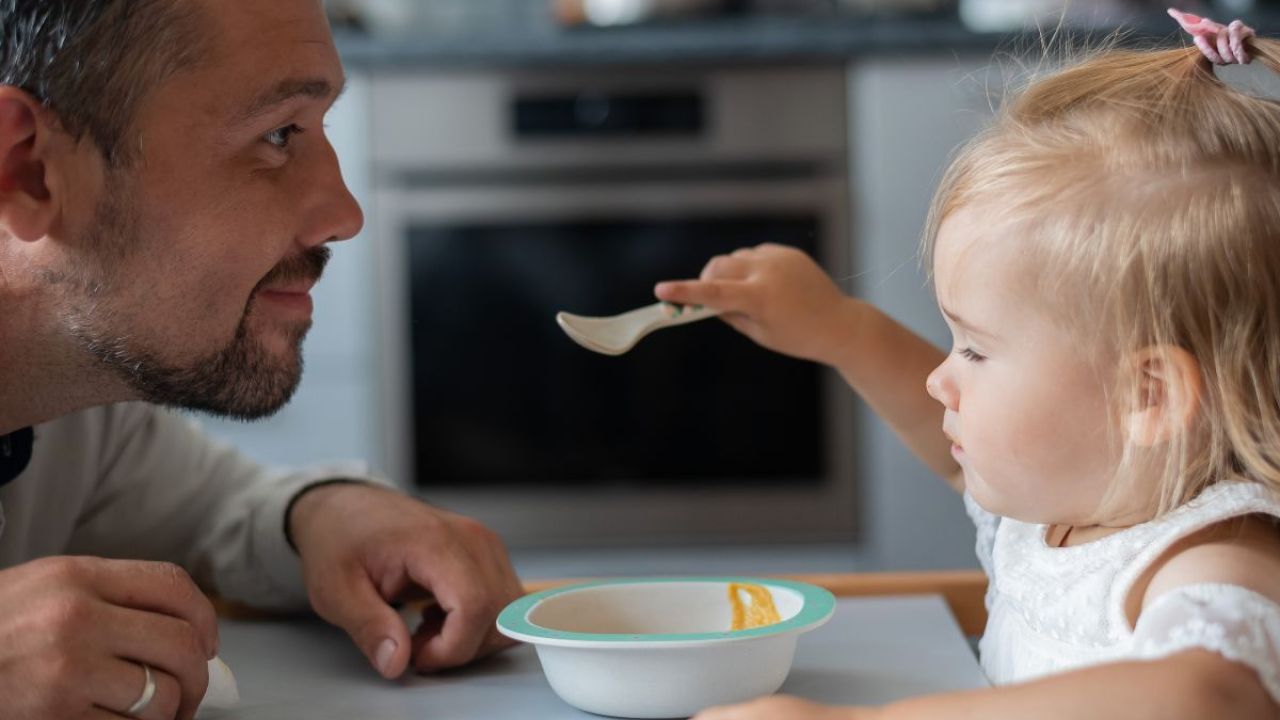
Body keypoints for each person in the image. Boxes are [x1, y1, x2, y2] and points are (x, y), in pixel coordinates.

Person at [656, 11, 1280, 720]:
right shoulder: (1069, 494)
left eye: (976, 349)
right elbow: (960, 458)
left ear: (1148, 395)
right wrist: (841, 329)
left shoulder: (1210, 558)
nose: (939, 378)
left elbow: (1213, 695)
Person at [0, 2, 523, 718]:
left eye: (318, 127)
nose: (344, 213)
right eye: (278, 135)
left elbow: (214, 505)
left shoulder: (71, 408)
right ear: (27, 168)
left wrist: (326, 512)